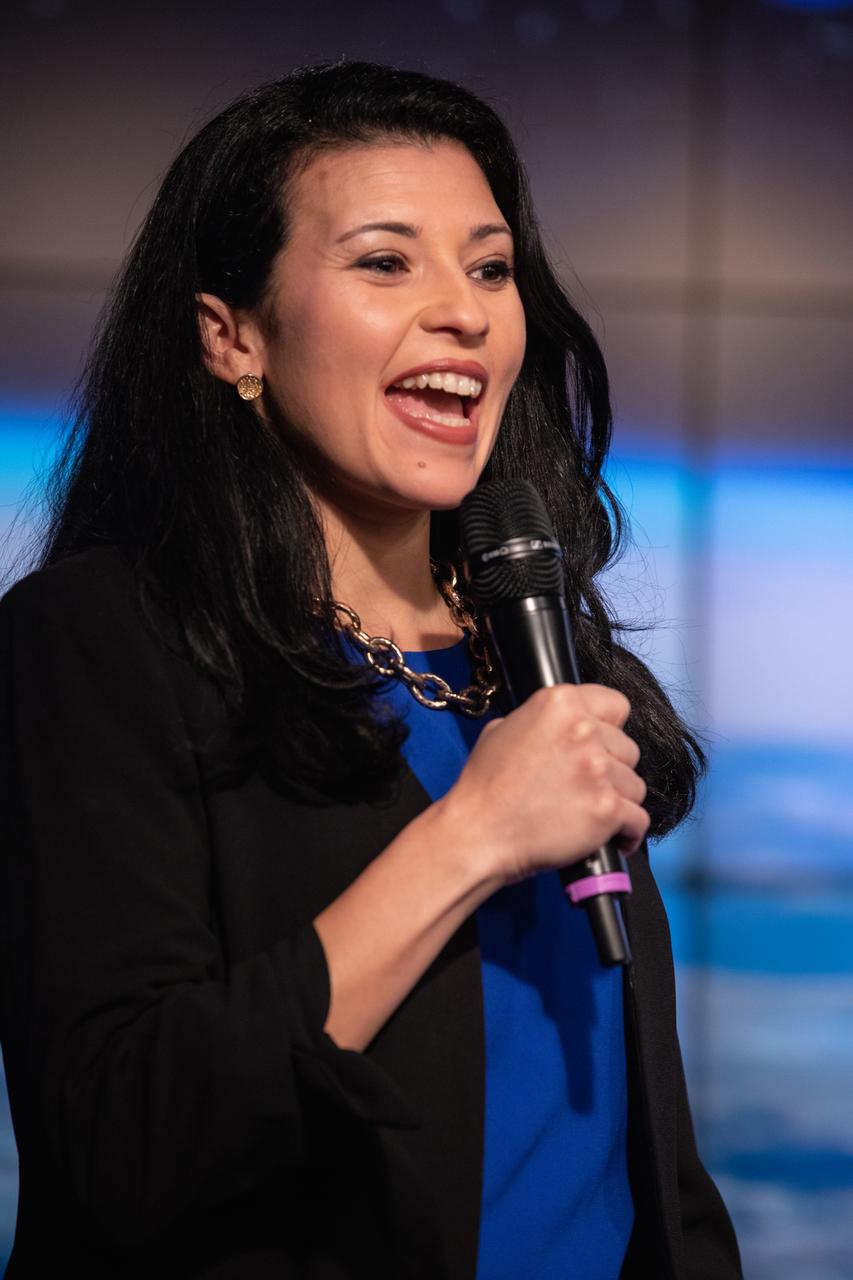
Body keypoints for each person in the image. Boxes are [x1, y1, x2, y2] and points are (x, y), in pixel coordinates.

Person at [0, 61, 741, 1279]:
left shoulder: (537, 648)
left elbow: (645, 1149)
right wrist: (472, 836)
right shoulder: (101, 638)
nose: (464, 312)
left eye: (489, 268)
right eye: (386, 261)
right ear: (232, 336)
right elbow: (120, 1137)